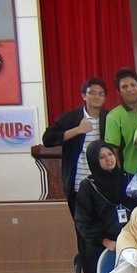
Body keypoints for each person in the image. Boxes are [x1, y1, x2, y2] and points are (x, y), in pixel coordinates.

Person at [74, 141, 137, 273]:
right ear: (93, 161)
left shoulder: (129, 179)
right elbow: (82, 221)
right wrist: (105, 241)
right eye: (102, 157)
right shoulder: (88, 186)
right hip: (101, 244)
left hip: (131, 242)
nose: (108, 159)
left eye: (110, 154)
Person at [42, 77, 109, 224]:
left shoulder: (110, 118)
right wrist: (77, 130)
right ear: (84, 95)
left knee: (106, 228)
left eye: (101, 94)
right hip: (78, 185)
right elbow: (47, 139)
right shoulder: (71, 118)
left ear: (105, 98)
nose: (97, 97)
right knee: (82, 228)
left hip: (104, 185)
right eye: (92, 93)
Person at [104, 68, 137, 176]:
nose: (130, 89)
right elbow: (113, 150)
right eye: (124, 87)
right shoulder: (114, 116)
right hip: (130, 174)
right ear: (119, 92)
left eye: (133, 85)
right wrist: (119, 177)